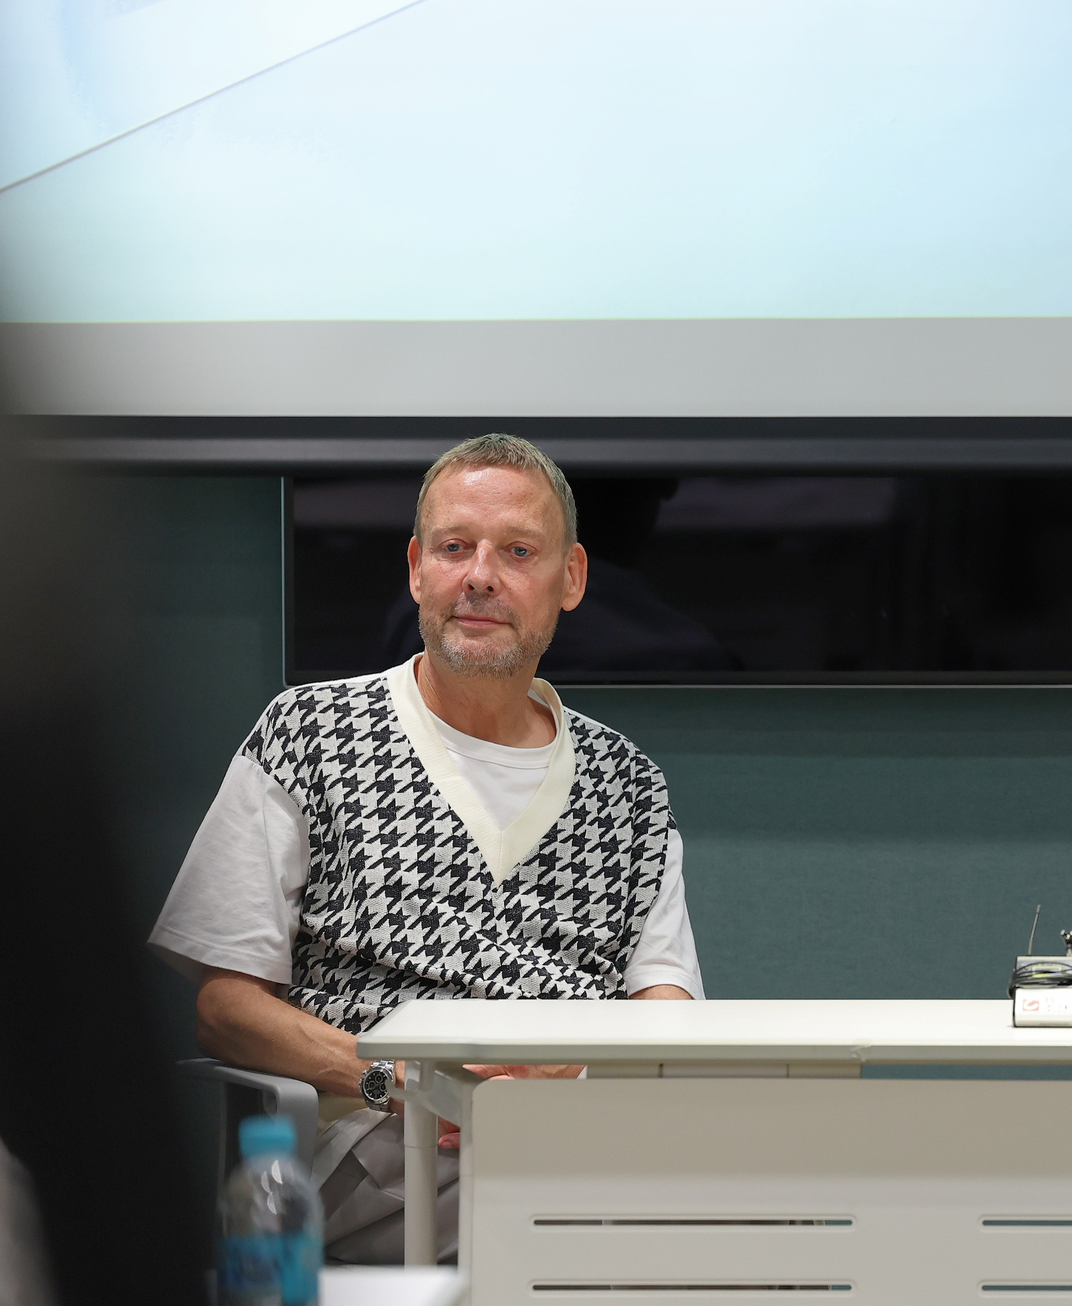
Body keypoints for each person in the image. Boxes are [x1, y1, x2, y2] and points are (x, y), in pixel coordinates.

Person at [149, 433, 704, 1262]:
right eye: (454, 547)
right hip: (377, 1138)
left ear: (573, 578)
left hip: (578, 1133)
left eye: (517, 550)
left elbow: (667, 1006)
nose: (479, 574)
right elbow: (224, 1007)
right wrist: (403, 1080)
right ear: (417, 568)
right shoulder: (309, 734)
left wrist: (569, 1069)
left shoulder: (629, 783)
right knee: (659, 1215)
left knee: (754, 1182)